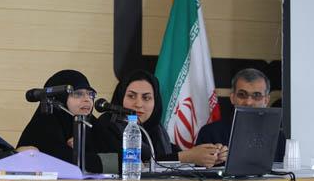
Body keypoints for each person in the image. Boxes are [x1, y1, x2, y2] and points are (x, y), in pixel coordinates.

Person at [96, 69, 225, 170]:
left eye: (146, 98)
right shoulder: (108, 124)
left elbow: (177, 158)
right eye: (131, 96)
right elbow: (132, 164)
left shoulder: (156, 130)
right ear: (121, 97)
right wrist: (187, 157)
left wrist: (211, 155)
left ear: (155, 102)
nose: (138, 104)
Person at [17, 70, 103, 173]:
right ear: (60, 98)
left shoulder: (94, 125)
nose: (87, 99)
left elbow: (118, 158)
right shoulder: (44, 124)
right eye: (78, 94)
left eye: (91, 94)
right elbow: (62, 161)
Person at [195, 68, 286, 162]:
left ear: (266, 100)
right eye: (242, 95)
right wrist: (213, 160)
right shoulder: (210, 133)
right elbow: (198, 169)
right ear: (232, 98)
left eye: (256, 95)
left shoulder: (278, 136)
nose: (248, 102)